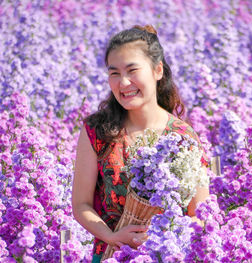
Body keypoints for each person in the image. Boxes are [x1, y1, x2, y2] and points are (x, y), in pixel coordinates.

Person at [71, 25, 209, 263]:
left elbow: (200, 213)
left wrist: (166, 238)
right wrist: (113, 236)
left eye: (132, 70)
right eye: (114, 73)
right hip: (109, 255)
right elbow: (81, 205)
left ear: (157, 71)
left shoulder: (183, 137)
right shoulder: (96, 131)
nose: (123, 82)